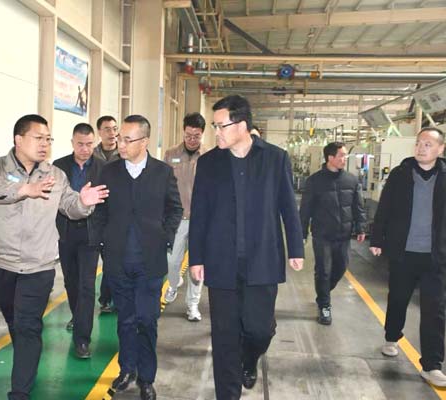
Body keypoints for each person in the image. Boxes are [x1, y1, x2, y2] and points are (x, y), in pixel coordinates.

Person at [0, 114, 108, 400]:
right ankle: (27, 355)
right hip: (2, 264)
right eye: (39, 138)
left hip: (38, 266)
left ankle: (20, 391)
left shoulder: (55, 175)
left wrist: (83, 202)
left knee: (28, 325)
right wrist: (25, 189)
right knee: (14, 321)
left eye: (48, 139)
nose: (45, 144)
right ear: (18, 139)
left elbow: (70, 206)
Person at [189, 95, 304, 399]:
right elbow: (200, 213)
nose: (216, 132)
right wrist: (196, 257)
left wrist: (296, 248)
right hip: (221, 261)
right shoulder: (209, 163)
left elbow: (288, 207)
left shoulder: (275, 158)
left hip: (262, 260)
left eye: (221, 126)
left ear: (241, 125)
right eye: (215, 126)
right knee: (224, 336)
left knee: (259, 330)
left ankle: (250, 357)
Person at [93, 115, 182, 400]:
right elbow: (100, 211)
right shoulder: (109, 172)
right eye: (120, 138)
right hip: (118, 261)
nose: (120, 144)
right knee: (125, 320)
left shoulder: (162, 172)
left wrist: (165, 236)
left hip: (150, 263)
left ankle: (146, 378)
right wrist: (104, 243)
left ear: (144, 142)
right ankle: (126, 370)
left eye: (127, 139)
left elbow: (175, 209)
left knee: (147, 320)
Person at [370, 127, 446, 387]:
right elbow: (385, 207)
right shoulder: (400, 174)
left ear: (440, 149)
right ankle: (392, 336)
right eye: (419, 143)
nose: (421, 148)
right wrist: (377, 239)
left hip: (436, 257)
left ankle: (432, 365)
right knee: (398, 299)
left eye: (428, 144)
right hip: (403, 253)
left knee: (435, 310)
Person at [299, 142, 367, 325]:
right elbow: (305, 209)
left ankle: (323, 293)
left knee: (340, 267)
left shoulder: (352, 180)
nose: (345, 159)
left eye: (345, 155)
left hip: (343, 235)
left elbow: (358, 206)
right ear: (330, 157)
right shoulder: (314, 181)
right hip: (322, 235)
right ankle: (324, 306)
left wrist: (361, 227)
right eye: (341, 155)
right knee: (324, 271)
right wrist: (302, 233)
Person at [53, 123, 105, 359]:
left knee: (86, 285)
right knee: (71, 282)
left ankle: (82, 339)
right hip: (66, 232)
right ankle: (78, 315)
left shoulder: (104, 168)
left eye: (89, 144)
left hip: (91, 234)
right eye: (80, 144)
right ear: (72, 143)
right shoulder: (59, 167)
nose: (85, 149)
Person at [163, 112, 208, 322]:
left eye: (196, 136)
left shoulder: (209, 156)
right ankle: (173, 284)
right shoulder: (171, 154)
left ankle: (192, 305)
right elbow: (163, 186)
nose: (191, 139)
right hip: (177, 218)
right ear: (183, 131)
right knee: (172, 261)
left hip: (201, 220)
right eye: (188, 135)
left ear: (202, 134)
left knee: (197, 267)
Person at [93, 115, 120, 313]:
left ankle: (108, 298)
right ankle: (106, 298)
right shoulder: (91, 155)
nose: (112, 133)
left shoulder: (125, 152)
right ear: (99, 132)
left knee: (114, 260)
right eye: (107, 129)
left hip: (118, 214)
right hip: (96, 215)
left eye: (114, 128)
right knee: (107, 260)